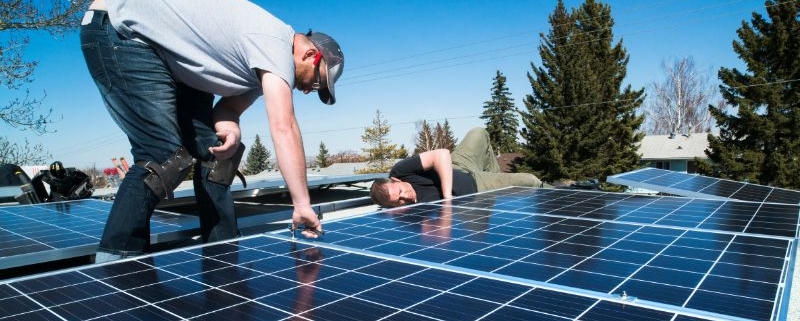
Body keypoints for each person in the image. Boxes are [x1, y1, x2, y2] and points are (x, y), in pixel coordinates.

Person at [81, 0, 343, 262]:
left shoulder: (260, 66)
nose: (308, 90)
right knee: (162, 156)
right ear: (310, 55)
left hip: (172, 59)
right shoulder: (276, 44)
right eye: (317, 82)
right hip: (122, 31)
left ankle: (222, 253)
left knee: (216, 156)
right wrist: (302, 204)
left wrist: (231, 130)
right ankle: (115, 268)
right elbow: (283, 126)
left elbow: (227, 112)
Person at [371, 127, 547, 207]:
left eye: (401, 191)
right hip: (476, 186)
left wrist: (447, 197)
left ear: (395, 180)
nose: (406, 197)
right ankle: (563, 193)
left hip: (458, 164)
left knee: (479, 133)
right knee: (529, 181)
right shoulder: (410, 215)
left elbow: (441, 154)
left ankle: (495, 178)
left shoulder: (399, 171)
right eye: (399, 201)